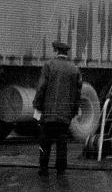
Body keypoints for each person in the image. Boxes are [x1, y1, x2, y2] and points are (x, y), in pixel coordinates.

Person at [33, 41, 82, 176]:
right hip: (65, 115)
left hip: (49, 113)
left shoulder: (49, 66)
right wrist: (73, 111)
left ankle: (43, 169)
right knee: (62, 142)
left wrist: (37, 105)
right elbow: (77, 93)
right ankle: (61, 169)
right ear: (66, 53)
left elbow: (41, 88)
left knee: (45, 142)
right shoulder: (74, 68)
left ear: (55, 51)